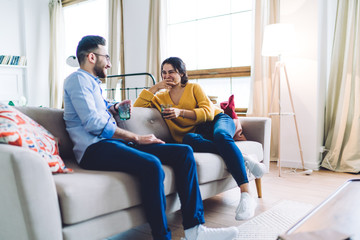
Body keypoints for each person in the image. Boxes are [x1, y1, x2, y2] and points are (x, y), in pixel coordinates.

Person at [63, 36, 239, 240]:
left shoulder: (93, 83)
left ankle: (195, 230)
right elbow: (94, 123)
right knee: (152, 165)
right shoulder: (77, 80)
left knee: (183, 152)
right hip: (94, 150)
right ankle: (161, 236)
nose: (109, 64)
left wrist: (115, 108)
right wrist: (137, 137)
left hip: (112, 143)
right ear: (92, 57)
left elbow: (101, 108)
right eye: (107, 57)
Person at [134, 57, 266, 221]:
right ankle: (244, 157)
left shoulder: (193, 87)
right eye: (164, 73)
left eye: (172, 72)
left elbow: (208, 112)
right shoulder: (160, 98)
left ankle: (246, 194)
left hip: (218, 121)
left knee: (221, 136)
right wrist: (155, 88)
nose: (167, 76)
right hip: (199, 133)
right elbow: (136, 108)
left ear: (182, 73)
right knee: (189, 139)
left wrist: (180, 112)